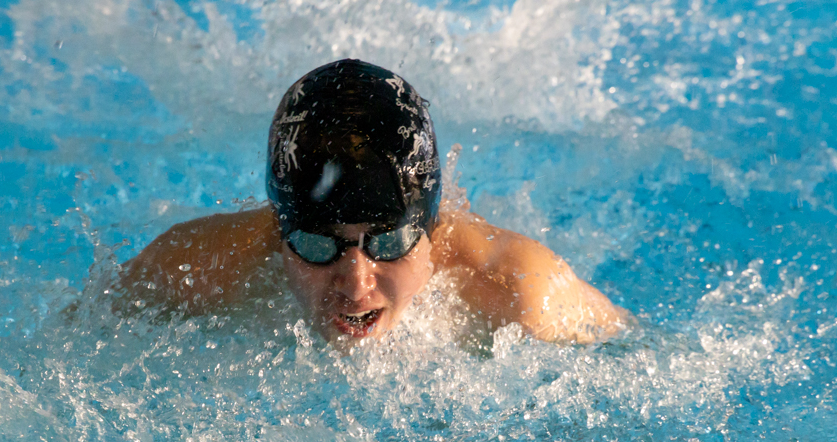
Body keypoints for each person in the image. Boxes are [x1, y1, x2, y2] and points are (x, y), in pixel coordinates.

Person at [120, 59, 627, 348]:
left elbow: (633, 352)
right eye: (317, 246)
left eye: (388, 243)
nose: (356, 284)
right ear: (281, 232)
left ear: (430, 229)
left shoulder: (523, 293)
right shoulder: (189, 269)